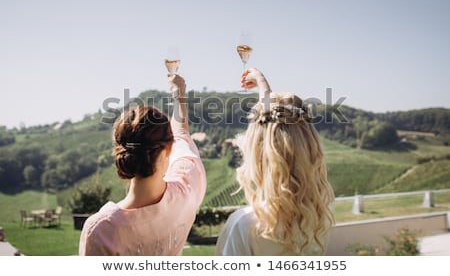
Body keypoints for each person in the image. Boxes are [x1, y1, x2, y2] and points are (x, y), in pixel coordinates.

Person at [79, 74, 206, 255]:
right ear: (169, 149)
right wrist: (179, 94)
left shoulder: (102, 230)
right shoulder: (186, 191)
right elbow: (181, 133)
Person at [215, 68, 335, 256]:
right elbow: (285, 137)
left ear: (257, 155)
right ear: (310, 149)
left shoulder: (245, 225)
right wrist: (264, 89)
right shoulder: (319, 215)